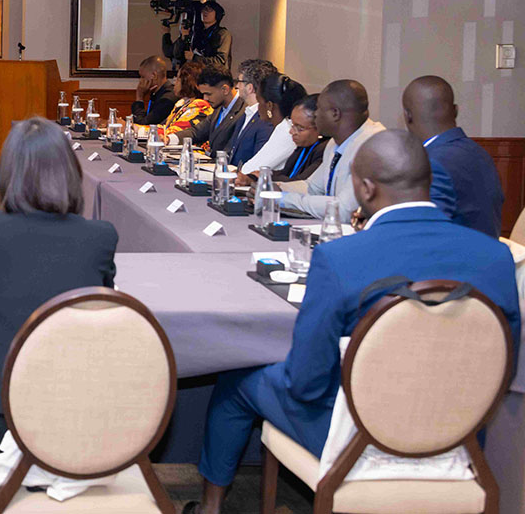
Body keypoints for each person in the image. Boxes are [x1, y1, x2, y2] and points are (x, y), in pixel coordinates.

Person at [185, 131, 520, 514]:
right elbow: (502, 366)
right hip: (456, 437)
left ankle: (210, 508)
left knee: (237, 380)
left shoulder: (341, 258)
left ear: (365, 189)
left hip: (359, 439)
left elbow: (307, 383)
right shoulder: (494, 256)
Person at [0, 117, 118, 450]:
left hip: (6, 415)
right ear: (70, 172)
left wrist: (3, 303)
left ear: (10, 173)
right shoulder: (101, 236)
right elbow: (100, 301)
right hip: (82, 414)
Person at [403, 75, 504, 238]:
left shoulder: (431, 163)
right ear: (456, 111)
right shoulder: (480, 153)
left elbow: (424, 233)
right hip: (486, 249)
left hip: (452, 253)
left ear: (408, 115)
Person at [279, 79, 385, 219]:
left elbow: (344, 209)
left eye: (319, 109)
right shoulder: (334, 143)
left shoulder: (373, 145)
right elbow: (313, 188)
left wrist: (283, 199)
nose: (315, 115)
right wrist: (275, 189)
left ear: (335, 113)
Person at [237, 74, 306, 177]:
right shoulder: (283, 126)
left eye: (259, 102)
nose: (258, 107)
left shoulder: (287, 131)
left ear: (269, 105)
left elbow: (249, 170)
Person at [227, 59, 278, 169]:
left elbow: (259, 163)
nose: (237, 86)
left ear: (250, 88)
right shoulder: (245, 115)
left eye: (239, 81)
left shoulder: (266, 121)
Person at [183, 66, 244, 151]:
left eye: (208, 94)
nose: (205, 98)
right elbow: (196, 132)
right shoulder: (218, 108)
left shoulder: (243, 112)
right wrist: (169, 139)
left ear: (225, 89)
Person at [275, 95, 327, 183]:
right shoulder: (303, 146)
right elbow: (286, 173)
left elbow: (299, 182)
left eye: (299, 128)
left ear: (319, 127)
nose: (291, 132)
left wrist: (265, 178)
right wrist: (259, 175)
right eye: (292, 125)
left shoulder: (324, 151)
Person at [161, 60, 213, 136]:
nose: (174, 83)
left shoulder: (200, 105)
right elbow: (164, 126)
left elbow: (175, 131)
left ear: (186, 82)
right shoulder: (182, 103)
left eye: (178, 79)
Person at [187, 0, 232, 71]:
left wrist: (195, 58)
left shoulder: (223, 34)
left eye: (210, 10)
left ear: (217, 14)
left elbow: (220, 61)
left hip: (216, 74)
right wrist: (184, 37)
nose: (205, 12)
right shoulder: (197, 33)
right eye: (203, 9)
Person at [130, 56, 176, 126]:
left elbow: (144, 125)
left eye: (142, 77)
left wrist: (139, 97)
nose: (140, 81)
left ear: (154, 75)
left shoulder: (167, 99)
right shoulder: (157, 93)